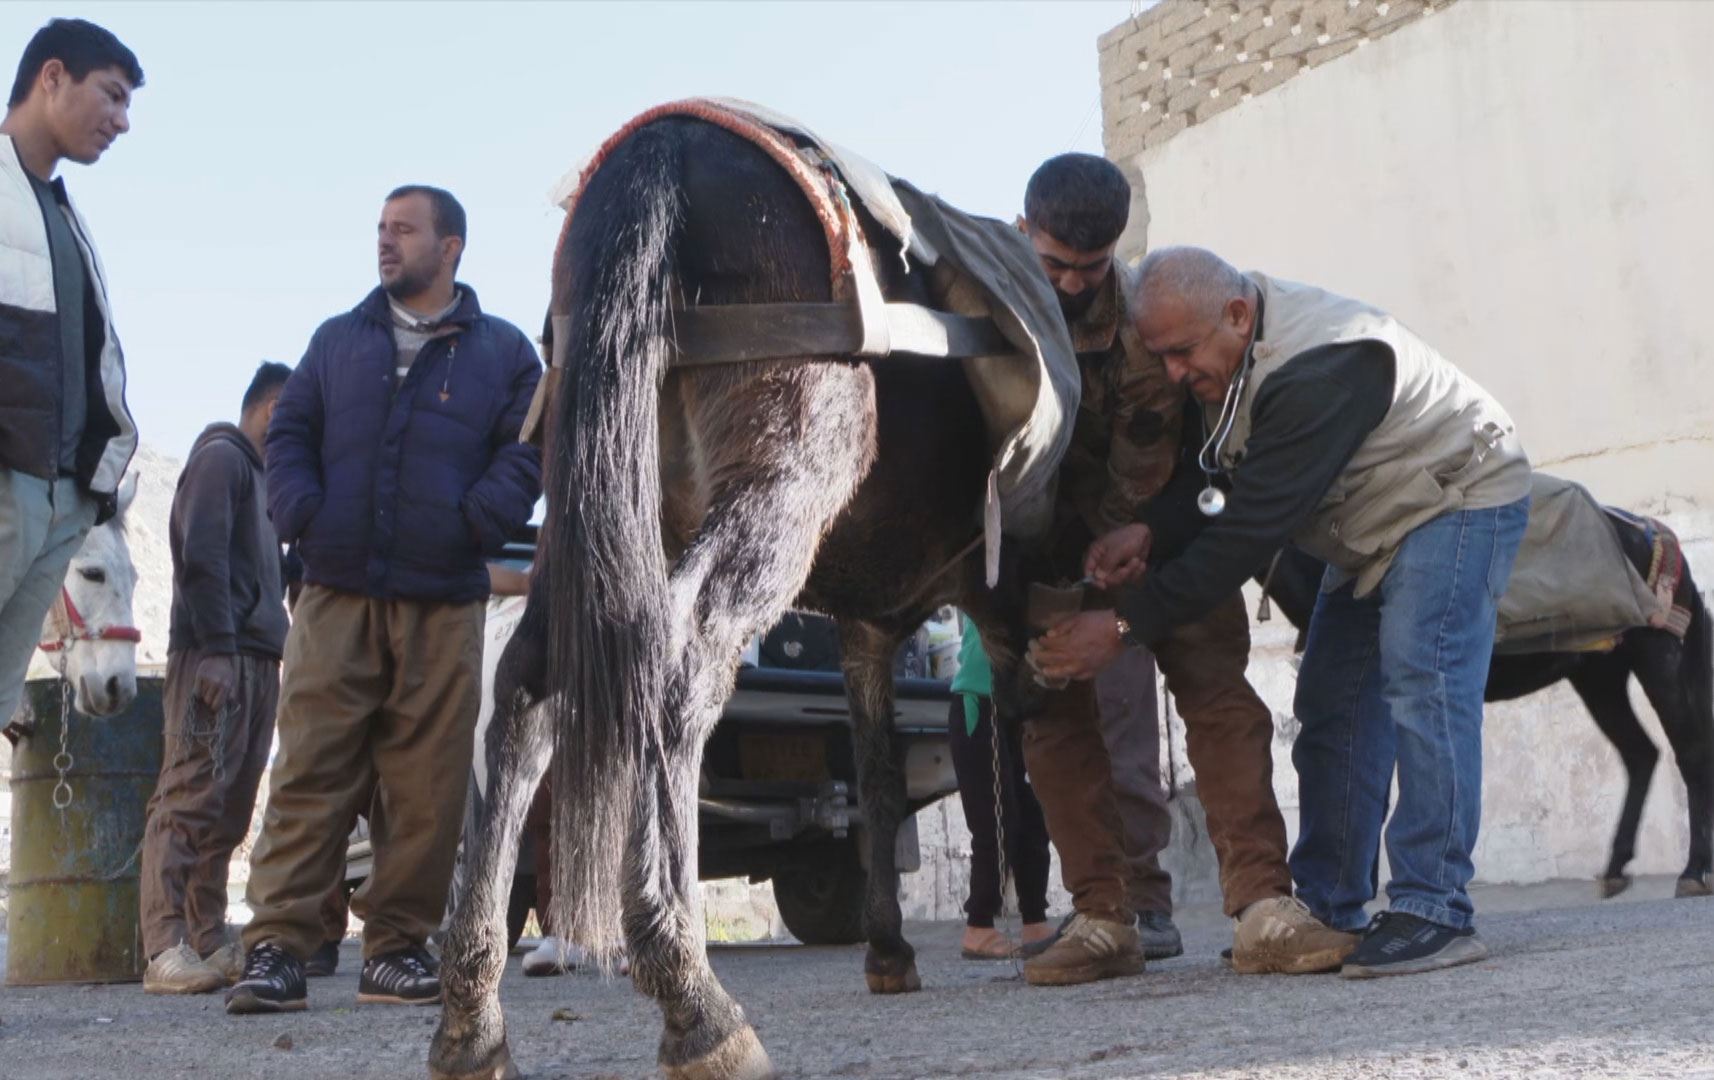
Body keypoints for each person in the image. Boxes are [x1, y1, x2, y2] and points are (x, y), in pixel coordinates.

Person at [1035, 246, 1531, 978]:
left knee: (1423, 686)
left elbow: (1246, 532)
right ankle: (1328, 908)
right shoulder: (1229, 352)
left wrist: (1122, 626)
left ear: (1237, 315)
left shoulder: (1320, 368)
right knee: (1331, 707)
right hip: (1365, 523)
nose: (1173, 374)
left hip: (1453, 495)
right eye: (1161, 356)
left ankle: (1436, 907)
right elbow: (1219, 481)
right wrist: (1152, 531)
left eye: (1181, 353)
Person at [1016, 156, 1351, 987]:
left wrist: (1144, 544)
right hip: (1043, 553)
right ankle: (1103, 918)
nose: (1070, 284)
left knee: (1219, 698)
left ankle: (1265, 911)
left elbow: (1200, 452)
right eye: (1054, 263)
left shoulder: (1152, 314)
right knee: (1051, 717)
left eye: (1090, 269)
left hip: (1168, 533)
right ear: (1024, 232)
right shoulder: (995, 313)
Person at [225, 185, 543, 1014]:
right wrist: (301, 512)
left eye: (405, 229)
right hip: (334, 592)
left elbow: (529, 449)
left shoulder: (506, 353)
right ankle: (276, 951)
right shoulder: (336, 342)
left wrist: (475, 521)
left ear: (452, 247)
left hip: (443, 599)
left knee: (427, 784)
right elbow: (288, 434)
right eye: (380, 228)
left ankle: (396, 949)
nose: (385, 241)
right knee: (308, 770)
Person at [0, 18, 141, 728]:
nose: (121, 122)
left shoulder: (65, 214)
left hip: (58, 504)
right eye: (111, 97)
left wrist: (79, 499)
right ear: (51, 77)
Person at [140, 362, 293, 994]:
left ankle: (205, 937)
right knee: (189, 796)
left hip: (257, 658)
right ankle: (163, 947)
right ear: (273, 407)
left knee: (228, 808)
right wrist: (218, 653)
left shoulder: (264, 482)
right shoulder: (222, 459)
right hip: (217, 656)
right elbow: (200, 557)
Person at [947, 616, 1053, 959]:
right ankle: (979, 926)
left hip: (1013, 703)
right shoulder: (988, 577)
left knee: (1031, 818)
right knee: (995, 820)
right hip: (979, 702)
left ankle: (1035, 921)